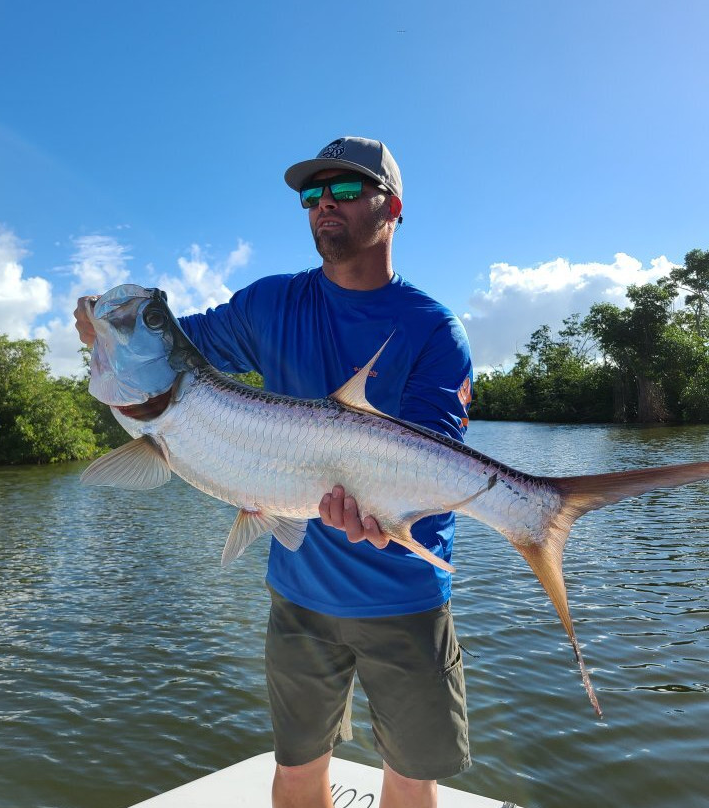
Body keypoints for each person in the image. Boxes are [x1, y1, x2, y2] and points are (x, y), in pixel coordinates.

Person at [75, 136, 473, 808]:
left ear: (393, 207)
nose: (324, 205)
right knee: (295, 774)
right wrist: (105, 335)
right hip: (297, 599)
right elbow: (175, 348)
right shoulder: (270, 303)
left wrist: (388, 519)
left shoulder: (434, 329)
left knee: (409, 782)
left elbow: (429, 464)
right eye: (311, 194)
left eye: (346, 191)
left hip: (403, 597)